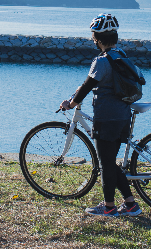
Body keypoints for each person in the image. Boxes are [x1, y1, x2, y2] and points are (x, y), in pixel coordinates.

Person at [59, 13, 144, 217]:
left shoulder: (101, 61)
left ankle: (108, 207)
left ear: (97, 39)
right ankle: (131, 204)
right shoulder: (121, 55)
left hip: (106, 118)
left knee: (104, 164)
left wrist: (71, 103)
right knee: (109, 161)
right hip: (122, 116)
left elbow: (87, 87)